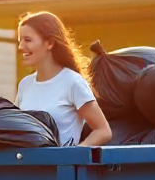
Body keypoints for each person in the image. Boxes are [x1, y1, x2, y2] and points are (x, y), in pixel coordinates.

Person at [15, 11, 113, 147]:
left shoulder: (73, 82)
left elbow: (103, 131)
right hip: (27, 166)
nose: (21, 47)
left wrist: (74, 155)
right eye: (20, 41)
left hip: (60, 168)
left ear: (50, 43)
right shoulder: (24, 85)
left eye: (28, 40)